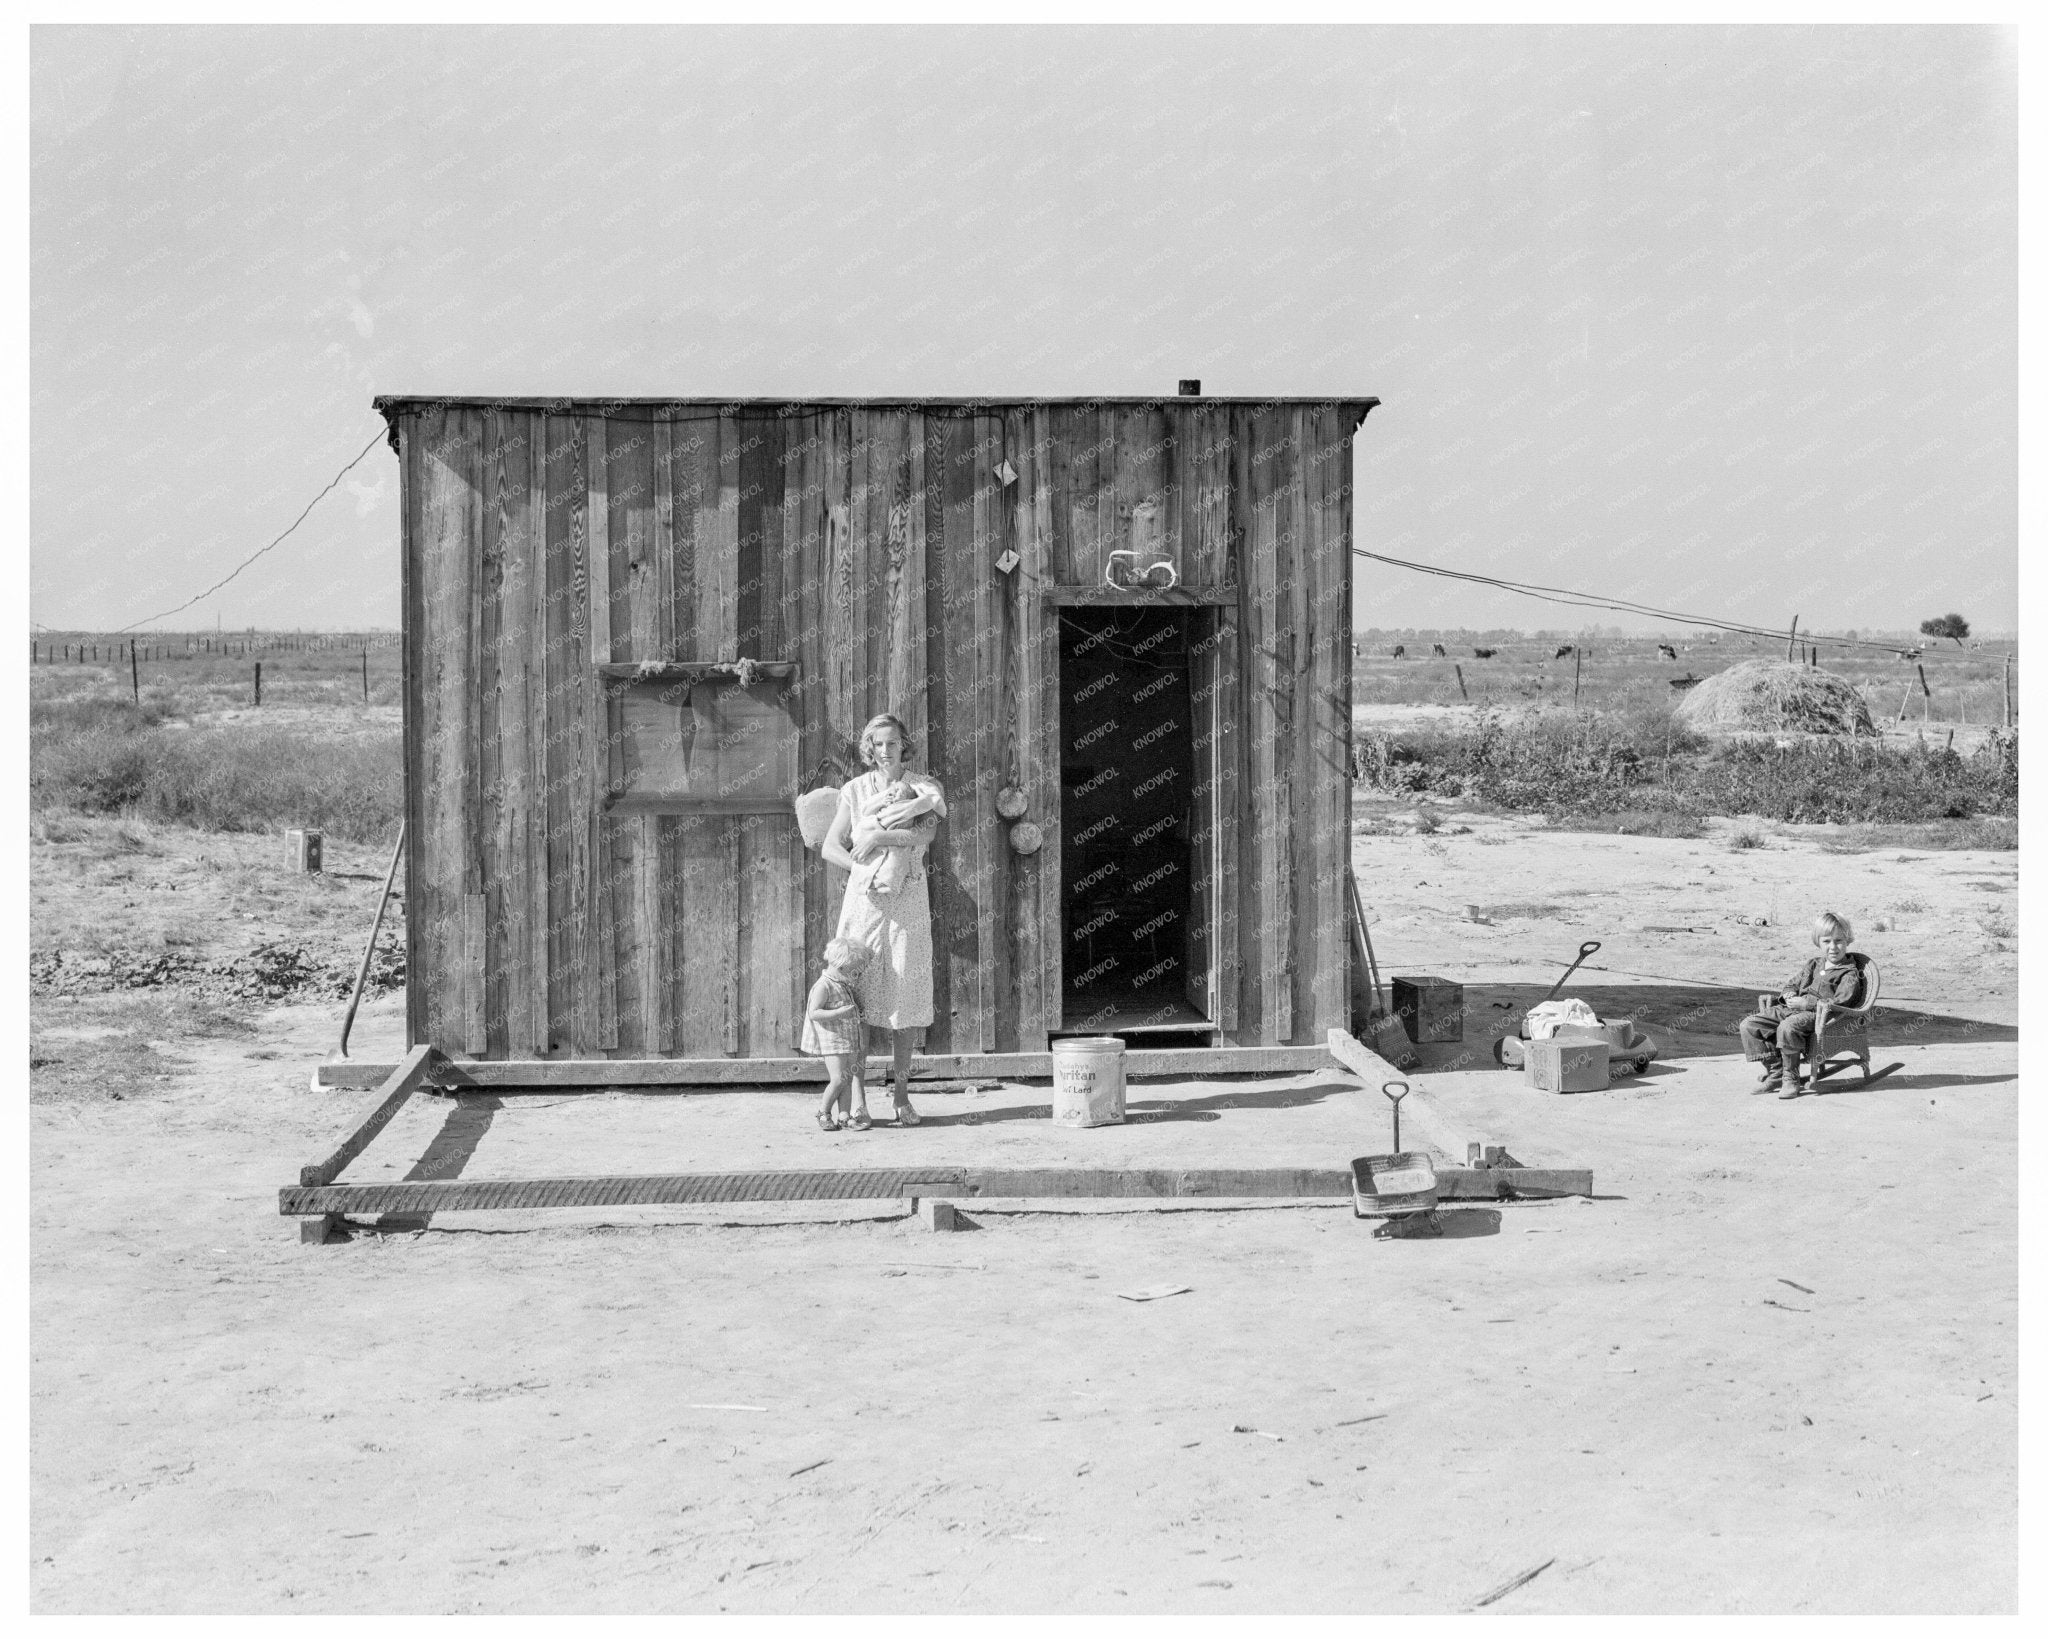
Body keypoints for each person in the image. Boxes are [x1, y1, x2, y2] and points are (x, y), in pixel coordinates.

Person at [821, 714, 945, 1127]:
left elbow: (925, 834)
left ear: (903, 744)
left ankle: (902, 1098)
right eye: (878, 744)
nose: (886, 750)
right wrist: (862, 870)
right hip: (865, 904)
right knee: (855, 998)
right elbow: (830, 846)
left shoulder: (921, 786)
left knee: (904, 997)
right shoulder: (855, 791)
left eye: (893, 743)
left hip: (908, 898)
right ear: (869, 748)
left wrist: (877, 838)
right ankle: (857, 1100)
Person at [1739, 911, 1868, 1099]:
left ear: (1848, 940)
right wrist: (1788, 993)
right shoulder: (1814, 964)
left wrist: (1806, 1003)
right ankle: (1775, 1071)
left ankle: (1790, 1077)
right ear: (1818, 942)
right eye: (1827, 941)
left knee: (1788, 1027)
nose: (1833, 947)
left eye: (1839, 941)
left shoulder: (1849, 973)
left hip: (1819, 1016)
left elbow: (1840, 1002)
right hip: (1790, 1008)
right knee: (1749, 1025)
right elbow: (1793, 983)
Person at [801, 938, 872, 1131]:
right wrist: (839, 1013)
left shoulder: (842, 984)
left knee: (847, 1079)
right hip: (832, 1042)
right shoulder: (824, 986)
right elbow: (814, 1013)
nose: (856, 977)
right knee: (838, 1079)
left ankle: (844, 1115)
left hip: (848, 1041)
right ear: (842, 967)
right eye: (854, 972)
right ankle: (823, 1112)